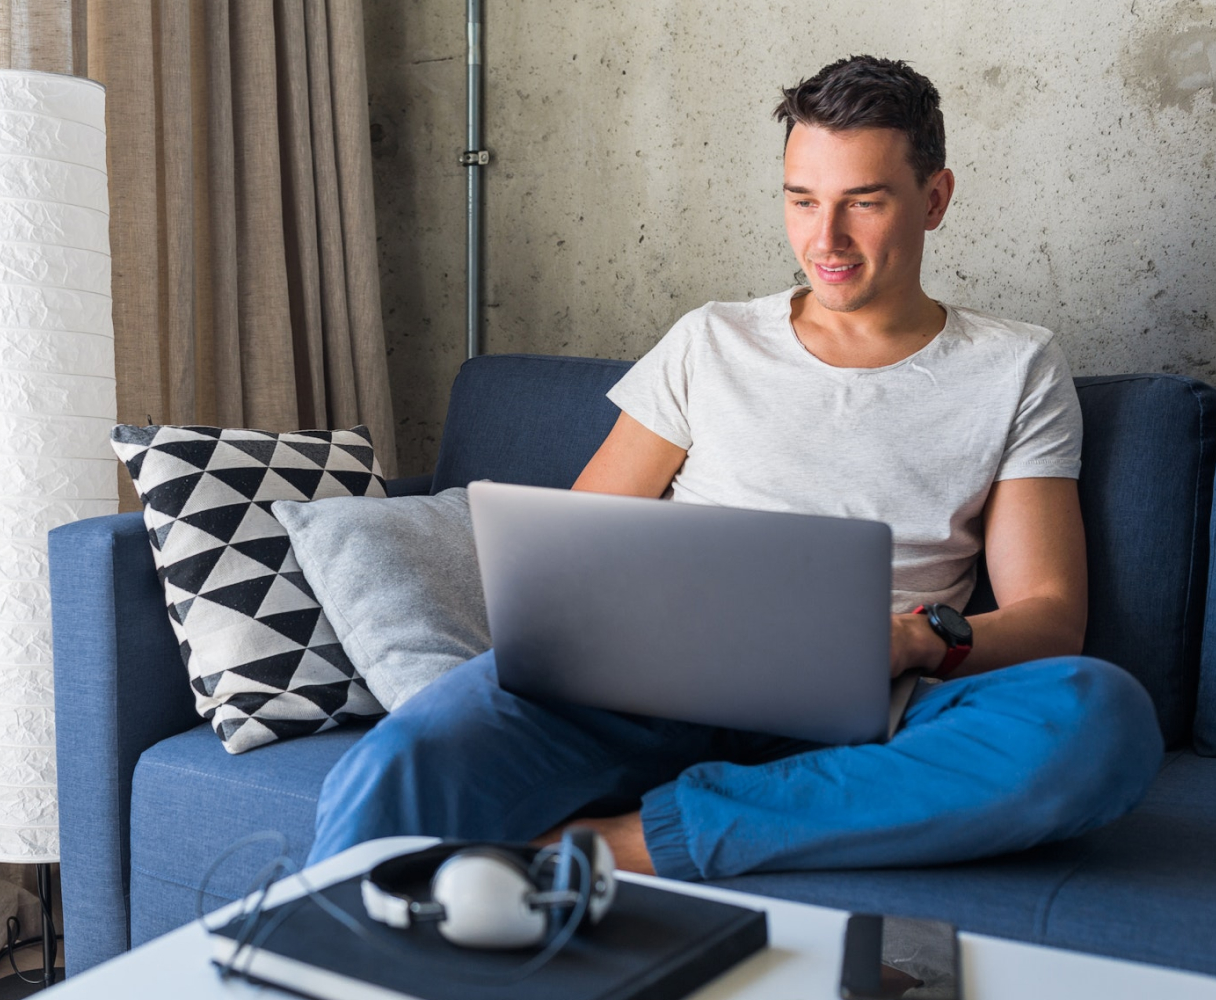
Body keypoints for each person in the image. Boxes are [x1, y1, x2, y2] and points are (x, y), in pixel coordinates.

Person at [307, 55, 1163, 879]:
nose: (823, 239)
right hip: (649, 689)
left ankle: (630, 841)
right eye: (801, 200)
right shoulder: (711, 340)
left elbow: (1051, 618)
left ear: (934, 199)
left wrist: (910, 640)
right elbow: (576, 550)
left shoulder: (1017, 367)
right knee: (402, 759)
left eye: (863, 203)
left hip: (879, 709)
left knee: (1100, 720)